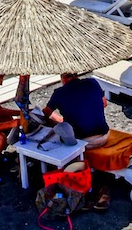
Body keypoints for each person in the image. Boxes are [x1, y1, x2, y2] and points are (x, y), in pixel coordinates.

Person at [42, 73, 111, 211]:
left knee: (59, 130)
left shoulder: (59, 93)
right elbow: (104, 103)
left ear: (62, 78)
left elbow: (45, 113)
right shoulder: (92, 82)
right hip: (104, 135)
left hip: (84, 141)